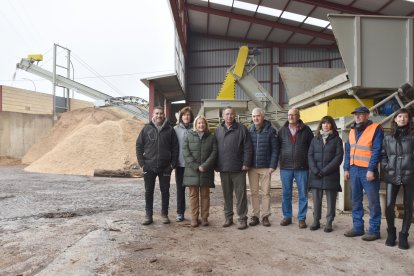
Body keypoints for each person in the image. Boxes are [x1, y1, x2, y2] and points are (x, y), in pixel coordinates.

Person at [343, 106, 384, 241]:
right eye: (356, 115)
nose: (358, 117)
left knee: (373, 202)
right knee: (355, 200)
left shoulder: (375, 129)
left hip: (367, 171)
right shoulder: (352, 130)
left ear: (367, 115)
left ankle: (374, 230)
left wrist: (371, 169)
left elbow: (377, 151)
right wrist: (346, 169)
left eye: (360, 114)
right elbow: (348, 150)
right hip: (354, 169)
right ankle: (358, 227)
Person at [136, 106, 179, 225]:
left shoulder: (170, 130)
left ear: (164, 115)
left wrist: (172, 165)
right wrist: (142, 163)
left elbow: (175, 147)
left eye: (161, 114)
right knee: (148, 191)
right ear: (153, 115)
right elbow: (139, 146)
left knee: (165, 191)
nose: (159, 115)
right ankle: (148, 215)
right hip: (149, 166)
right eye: (157, 113)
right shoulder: (146, 129)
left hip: (165, 166)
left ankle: (164, 214)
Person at [381, 108, 414, 249]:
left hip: (409, 175)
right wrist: (386, 166)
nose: (402, 119)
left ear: (409, 119)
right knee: (389, 206)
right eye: (399, 116)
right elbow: (383, 155)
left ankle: (404, 235)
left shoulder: (413, 137)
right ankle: (391, 233)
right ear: (395, 119)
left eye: (405, 117)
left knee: (408, 206)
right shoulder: (388, 137)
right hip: (392, 174)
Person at [215, 106, 252, 230]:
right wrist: (216, 165)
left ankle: (242, 218)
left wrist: (246, 163)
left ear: (235, 115)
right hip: (224, 168)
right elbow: (215, 149)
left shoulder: (242, 129)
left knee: (241, 195)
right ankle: (228, 217)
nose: (229, 116)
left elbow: (248, 147)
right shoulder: (218, 130)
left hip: (238, 169)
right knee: (227, 195)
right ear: (223, 116)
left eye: (231, 114)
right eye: (227, 114)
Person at [278, 108, 313, 228]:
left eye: (293, 115)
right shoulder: (282, 131)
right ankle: (287, 217)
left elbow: (311, 148)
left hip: (302, 167)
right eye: (289, 115)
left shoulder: (306, 130)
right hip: (285, 167)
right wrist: (279, 161)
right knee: (286, 193)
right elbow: (277, 148)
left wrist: (309, 164)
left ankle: (301, 218)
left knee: (303, 194)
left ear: (298, 116)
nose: (291, 117)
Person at [308, 116, 344, 232]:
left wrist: (324, 171)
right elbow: (310, 156)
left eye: (328, 123)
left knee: (331, 200)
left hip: (330, 175)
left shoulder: (337, 140)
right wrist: (315, 170)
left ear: (332, 125)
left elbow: (338, 158)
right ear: (321, 125)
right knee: (316, 200)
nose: (325, 125)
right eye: (323, 123)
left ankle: (329, 222)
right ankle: (316, 220)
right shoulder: (315, 139)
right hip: (316, 175)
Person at [183, 115, 217, 227]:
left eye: (203, 123)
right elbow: (185, 152)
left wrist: (205, 166)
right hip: (192, 171)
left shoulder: (211, 137)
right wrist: (195, 166)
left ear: (206, 125)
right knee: (193, 196)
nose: (201, 125)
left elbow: (214, 153)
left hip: (206, 171)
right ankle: (194, 218)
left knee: (205, 196)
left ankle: (204, 218)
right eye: (199, 123)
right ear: (195, 125)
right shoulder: (188, 136)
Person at [247, 107, 278, 227]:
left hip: (266, 167)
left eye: (258, 116)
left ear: (263, 116)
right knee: (253, 193)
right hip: (252, 168)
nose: (255, 118)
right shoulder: (249, 130)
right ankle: (255, 216)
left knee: (265, 193)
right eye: (254, 116)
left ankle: (265, 216)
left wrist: (272, 165)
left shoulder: (271, 131)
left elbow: (275, 149)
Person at [174, 106, 194, 222]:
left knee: (193, 190)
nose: (186, 117)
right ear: (181, 117)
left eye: (188, 115)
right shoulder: (175, 129)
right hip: (180, 164)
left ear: (191, 117)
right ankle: (180, 212)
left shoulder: (195, 129)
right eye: (184, 115)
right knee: (180, 190)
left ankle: (194, 213)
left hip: (192, 165)